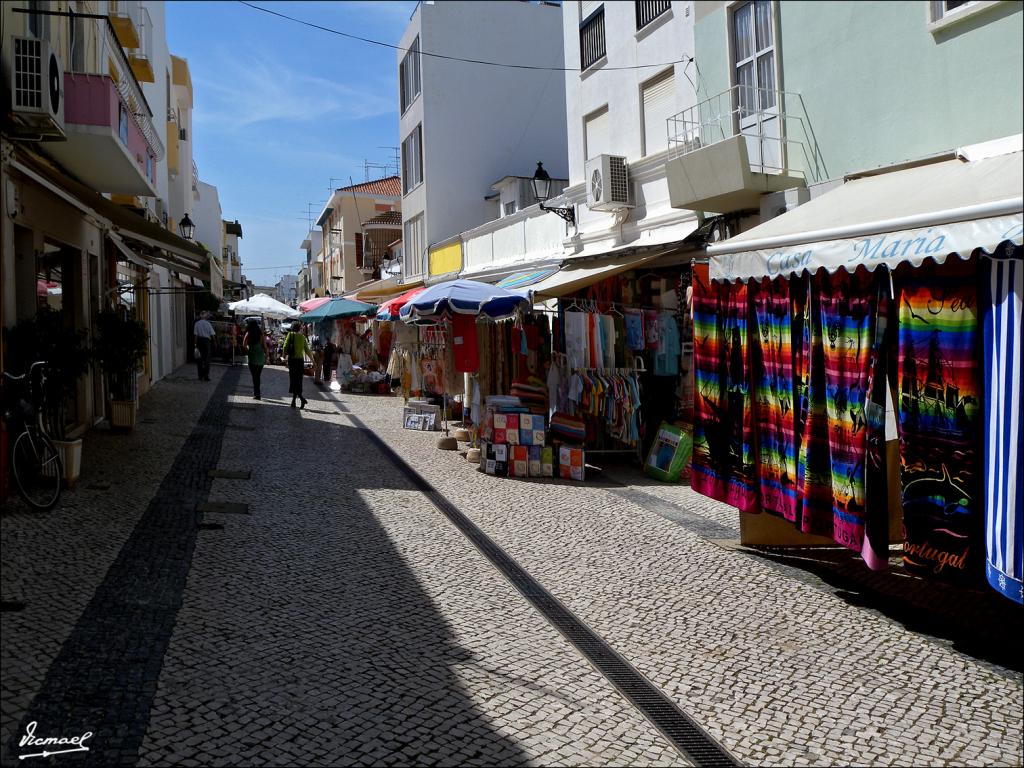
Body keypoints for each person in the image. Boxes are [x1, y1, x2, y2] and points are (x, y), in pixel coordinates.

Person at [282, 321, 311, 408]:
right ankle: (295, 401)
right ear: (299, 328)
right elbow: (307, 350)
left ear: (292, 327)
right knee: (299, 381)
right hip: (300, 361)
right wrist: (313, 361)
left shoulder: (290, 335)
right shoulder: (302, 337)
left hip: (292, 361)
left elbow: (285, 347)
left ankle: (299, 400)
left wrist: (283, 358)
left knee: (293, 380)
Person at [242, 319, 269, 399]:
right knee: (258, 376)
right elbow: (264, 346)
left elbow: (244, 344)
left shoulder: (248, 333)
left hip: (252, 356)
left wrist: (249, 349)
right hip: (260, 356)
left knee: (254, 376)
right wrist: (267, 355)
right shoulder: (260, 333)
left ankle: (257, 393)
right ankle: (257, 392)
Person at [193, 311, 215, 381]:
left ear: (200, 316)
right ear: (205, 317)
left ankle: (200, 376)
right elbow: (212, 334)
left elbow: (195, 335)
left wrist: (195, 344)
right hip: (206, 341)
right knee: (207, 359)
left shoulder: (197, 323)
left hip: (199, 341)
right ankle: (206, 375)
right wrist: (215, 342)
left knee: (199, 359)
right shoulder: (208, 323)